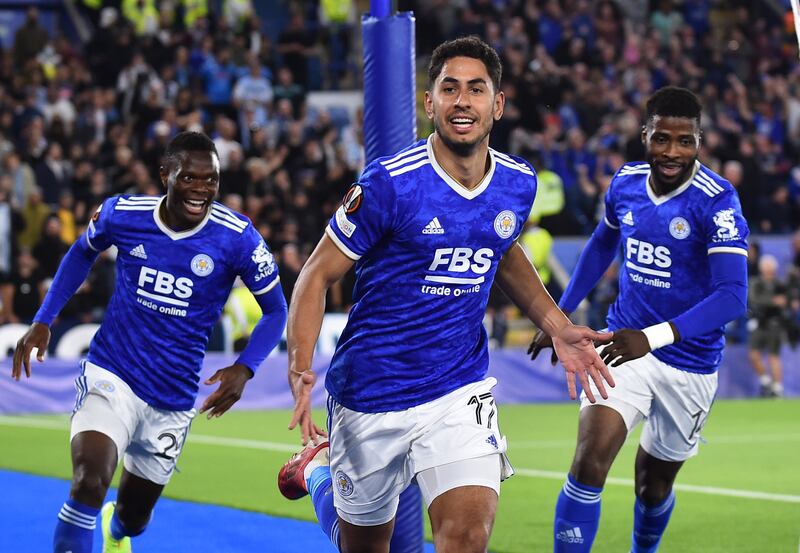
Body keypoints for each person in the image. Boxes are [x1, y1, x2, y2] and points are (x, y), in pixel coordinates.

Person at [277, 36, 614, 553]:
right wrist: (301, 366)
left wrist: (556, 323)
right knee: (361, 545)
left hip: (458, 388)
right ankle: (319, 472)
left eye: (476, 90)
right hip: (372, 391)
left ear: (496, 105)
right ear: (429, 102)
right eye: (449, 88)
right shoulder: (391, 184)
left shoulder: (518, 183)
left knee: (467, 538)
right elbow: (316, 274)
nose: (463, 101)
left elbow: (501, 248)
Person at [11, 131, 288, 553]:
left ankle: (116, 532)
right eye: (190, 178)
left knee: (133, 519)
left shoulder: (238, 238)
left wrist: (245, 366)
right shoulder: (123, 214)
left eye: (211, 180)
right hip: (113, 373)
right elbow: (82, 251)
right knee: (89, 480)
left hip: (172, 397)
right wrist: (44, 318)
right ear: (165, 175)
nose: (201, 190)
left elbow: (276, 311)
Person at [529, 86, 749, 552]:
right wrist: (560, 313)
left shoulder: (717, 201)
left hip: (688, 363)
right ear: (645, 135)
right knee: (589, 463)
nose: (672, 152)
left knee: (653, 487)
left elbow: (732, 296)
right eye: (662, 139)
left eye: (684, 141)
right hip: (620, 346)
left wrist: (651, 338)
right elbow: (602, 244)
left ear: (699, 142)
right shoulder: (626, 184)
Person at [747, 254, 786, 398]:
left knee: (773, 356)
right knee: (754, 354)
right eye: (766, 267)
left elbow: (785, 301)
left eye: (771, 268)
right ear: (762, 268)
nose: (769, 270)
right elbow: (754, 299)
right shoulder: (756, 283)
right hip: (758, 323)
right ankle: (766, 381)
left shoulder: (780, 284)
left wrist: (780, 302)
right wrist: (772, 301)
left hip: (774, 323)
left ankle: (777, 388)